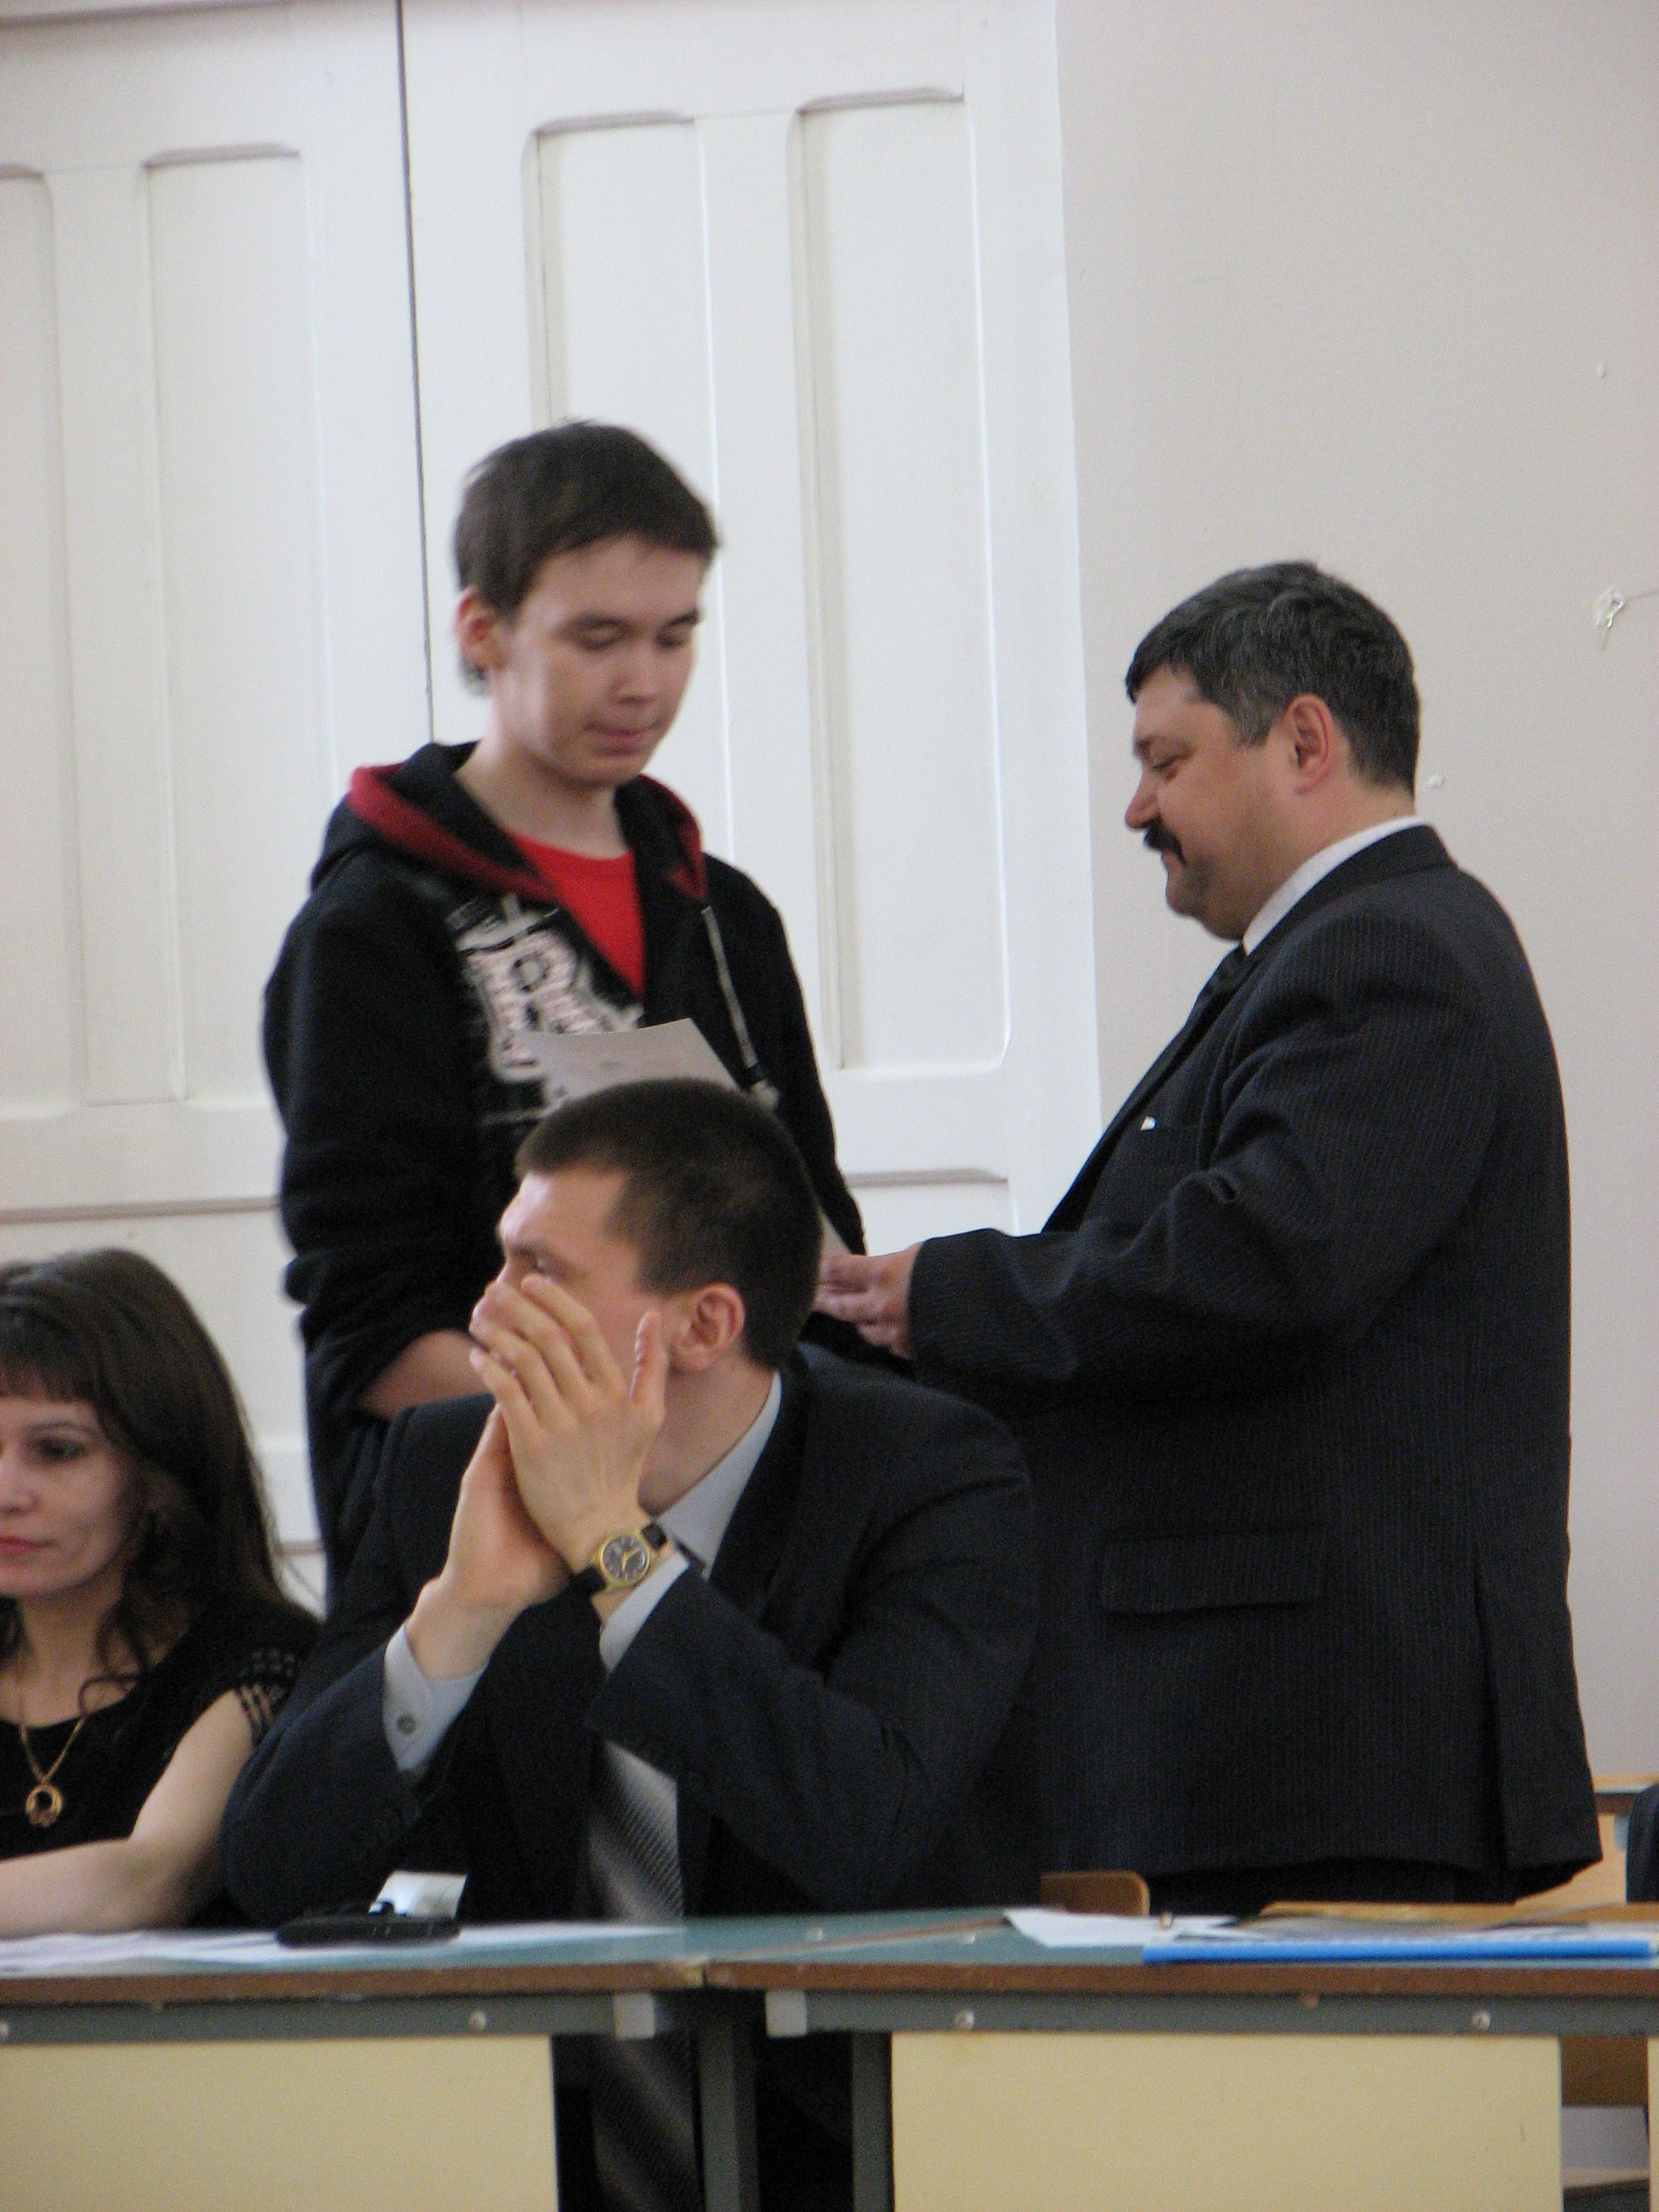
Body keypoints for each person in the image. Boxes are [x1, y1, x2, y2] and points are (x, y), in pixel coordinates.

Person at [819, 561, 1599, 1914]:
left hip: (1318, 1743)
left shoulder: (1389, 953)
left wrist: (940, 1296)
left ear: (1303, 741)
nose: (1137, 809)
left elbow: (1267, 1263)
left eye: (1165, 760)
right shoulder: (1336, 952)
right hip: (1287, 1743)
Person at [222, 1079, 1035, 2208]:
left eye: (539, 1272)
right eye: (500, 1261)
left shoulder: (928, 1473)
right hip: (523, 2153)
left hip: (864, 2143)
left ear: (703, 1325)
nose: (486, 1313)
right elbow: (271, 1870)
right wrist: (460, 1610)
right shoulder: (444, 1465)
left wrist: (618, 1552)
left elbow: (861, 1827)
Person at [266, 423, 864, 1582]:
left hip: (746, 1527)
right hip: (488, 1538)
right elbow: (374, 1330)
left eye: (674, 636)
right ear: (481, 629)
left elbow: (811, 1242)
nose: (644, 682)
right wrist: (624, 1460)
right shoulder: (375, 928)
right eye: (598, 638)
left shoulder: (725, 915)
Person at [0, 1251, 315, 1932]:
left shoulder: (255, 1656)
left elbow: (152, 1880)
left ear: (156, 1473)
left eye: (57, 1451)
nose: (7, 1492)